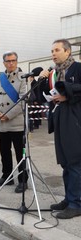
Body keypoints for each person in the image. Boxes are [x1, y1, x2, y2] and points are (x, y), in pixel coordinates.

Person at [39, 39, 81, 219]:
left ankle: (76, 203)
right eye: (51, 50)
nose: (53, 54)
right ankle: (68, 198)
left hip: (75, 121)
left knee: (75, 162)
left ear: (68, 51)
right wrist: (41, 80)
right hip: (59, 119)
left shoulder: (78, 68)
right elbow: (41, 96)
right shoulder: (53, 73)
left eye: (57, 50)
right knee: (65, 162)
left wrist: (67, 93)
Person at [0, 51, 28, 193]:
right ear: (4, 63)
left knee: (20, 153)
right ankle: (7, 176)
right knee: (4, 152)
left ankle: (23, 180)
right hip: (2, 123)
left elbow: (23, 100)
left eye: (13, 60)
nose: (11, 63)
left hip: (16, 122)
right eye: (8, 61)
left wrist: (8, 114)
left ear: (17, 61)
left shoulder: (23, 78)